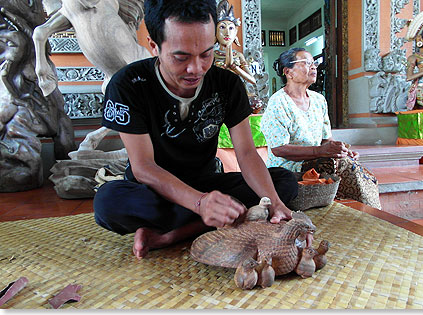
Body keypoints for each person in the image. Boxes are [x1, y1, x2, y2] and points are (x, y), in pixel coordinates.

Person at [93, 0, 300, 259]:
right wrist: (200, 204)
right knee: (108, 202)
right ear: (154, 46)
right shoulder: (128, 84)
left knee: (284, 183)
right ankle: (212, 219)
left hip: (206, 181)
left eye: (206, 54)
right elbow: (143, 166)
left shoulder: (227, 84)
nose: (197, 68)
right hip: (154, 189)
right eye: (181, 57)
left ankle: (173, 234)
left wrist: (275, 204)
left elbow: (246, 154)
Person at [260, 48, 381, 209]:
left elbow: (326, 139)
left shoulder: (319, 100)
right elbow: (279, 149)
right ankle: (369, 212)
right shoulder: (278, 102)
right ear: (288, 72)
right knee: (341, 165)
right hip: (290, 167)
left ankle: (363, 210)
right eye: (306, 63)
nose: (313, 67)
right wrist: (321, 151)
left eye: (314, 63)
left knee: (346, 161)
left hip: (317, 158)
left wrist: (340, 150)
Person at [212, 0, 256, 85]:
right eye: (222, 27)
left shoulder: (239, 55)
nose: (227, 33)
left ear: (235, 32)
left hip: (237, 90)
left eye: (231, 28)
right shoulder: (212, 55)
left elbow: (252, 80)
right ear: (215, 32)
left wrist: (234, 67)